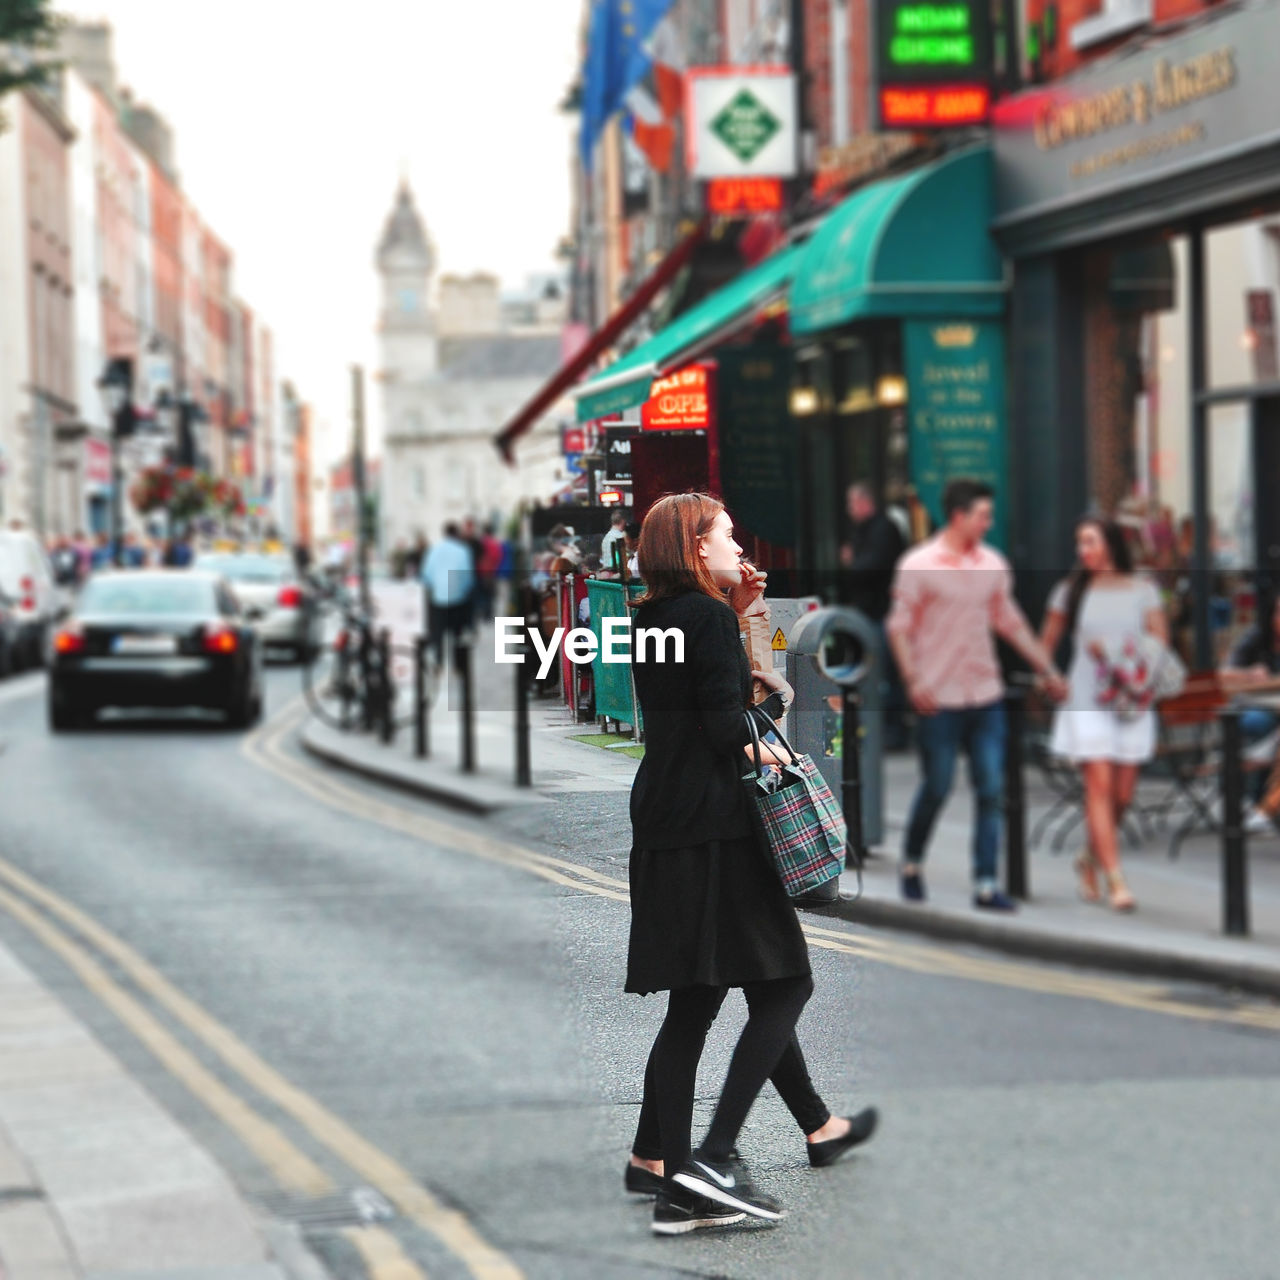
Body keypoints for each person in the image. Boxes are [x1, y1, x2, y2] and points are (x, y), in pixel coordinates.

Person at [625, 492, 829, 1234]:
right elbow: (723, 726)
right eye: (726, 535)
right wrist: (772, 720)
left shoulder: (647, 618)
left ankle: (678, 1180)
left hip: (661, 821)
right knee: (787, 982)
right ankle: (710, 1157)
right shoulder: (706, 618)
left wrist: (738, 614)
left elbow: (690, 704)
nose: (737, 547)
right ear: (694, 545)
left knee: (694, 1002)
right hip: (716, 829)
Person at [887, 479, 1067, 911]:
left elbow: (1011, 622)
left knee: (991, 790)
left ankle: (986, 883)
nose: (989, 522)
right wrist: (914, 682)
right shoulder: (919, 564)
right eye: (983, 515)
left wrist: (1048, 669)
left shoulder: (992, 563)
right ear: (958, 516)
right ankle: (911, 863)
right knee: (938, 785)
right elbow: (898, 628)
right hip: (939, 697)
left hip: (985, 694)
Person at [1040, 517, 1168, 912]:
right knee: (1098, 785)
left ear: (1111, 544)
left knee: (1123, 794)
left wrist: (1122, 653)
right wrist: (1050, 677)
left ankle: (1088, 858)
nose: (1083, 550)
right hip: (1086, 698)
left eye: (1090, 541)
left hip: (1130, 699)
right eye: (1080, 543)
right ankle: (1116, 880)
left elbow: (1160, 640)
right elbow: (1045, 644)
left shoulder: (1143, 589)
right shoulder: (1071, 591)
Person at [840, 482, 908, 749]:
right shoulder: (870, 529)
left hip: (882, 614)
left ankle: (893, 732)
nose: (849, 509)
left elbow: (871, 567)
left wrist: (851, 562)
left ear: (864, 502)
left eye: (851, 502)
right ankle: (885, 730)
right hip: (871, 613)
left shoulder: (882, 529)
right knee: (877, 673)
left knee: (885, 674)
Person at [421, 522, 475, 670]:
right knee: (458, 632)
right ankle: (459, 663)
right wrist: (462, 591)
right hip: (458, 600)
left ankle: (438, 659)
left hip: (438, 600)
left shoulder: (433, 550)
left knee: (437, 631)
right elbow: (468, 578)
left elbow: (426, 576)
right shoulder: (463, 551)